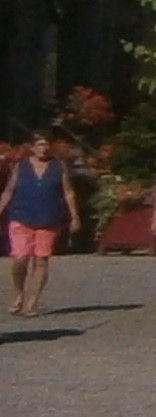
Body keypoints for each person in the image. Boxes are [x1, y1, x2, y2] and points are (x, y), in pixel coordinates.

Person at [4, 130, 77, 317]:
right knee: (20, 258)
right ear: (32, 147)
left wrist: (74, 216)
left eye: (46, 145)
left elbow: (68, 192)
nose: (43, 149)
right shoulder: (21, 166)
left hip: (49, 218)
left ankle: (32, 302)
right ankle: (19, 293)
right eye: (39, 145)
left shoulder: (58, 166)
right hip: (21, 215)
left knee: (41, 260)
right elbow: (9, 191)